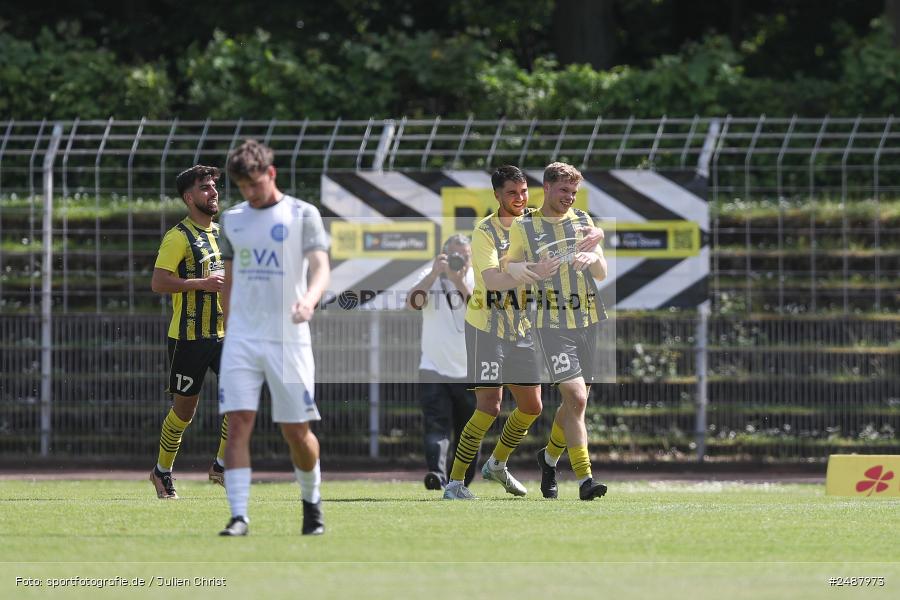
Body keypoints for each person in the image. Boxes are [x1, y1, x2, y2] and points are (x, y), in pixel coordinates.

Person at [216, 140, 330, 536]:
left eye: (255, 183)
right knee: (238, 422)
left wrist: (309, 301)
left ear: (271, 173)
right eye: (242, 186)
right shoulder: (232, 219)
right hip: (242, 339)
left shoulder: (302, 214)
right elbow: (230, 280)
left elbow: (320, 267)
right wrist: (229, 329)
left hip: (288, 338)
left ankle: (312, 504)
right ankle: (239, 516)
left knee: (296, 431)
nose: (250, 192)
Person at [506, 161, 609, 501]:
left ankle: (549, 459)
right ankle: (585, 479)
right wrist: (528, 268)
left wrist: (593, 259)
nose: (569, 197)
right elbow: (509, 266)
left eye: (574, 192)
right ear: (547, 188)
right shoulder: (525, 226)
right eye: (564, 190)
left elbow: (602, 271)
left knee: (576, 402)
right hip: (551, 323)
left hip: (588, 318)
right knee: (576, 398)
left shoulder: (582, 220)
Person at [149, 165, 229, 500]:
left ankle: (221, 467)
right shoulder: (178, 237)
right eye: (205, 187)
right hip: (189, 338)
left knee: (241, 399)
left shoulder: (223, 234)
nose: (213, 192)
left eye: (213, 186)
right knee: (184, 413)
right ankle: (161, 471)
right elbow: (159, 282)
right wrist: (202, 283)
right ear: (189, 198)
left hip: (224, 335)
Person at [406, 234, 478, 490]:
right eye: (455, 255)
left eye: (465, 256)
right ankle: (437, 475)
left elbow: (480, 311)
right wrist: (435, 274)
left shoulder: (478, 277)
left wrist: (459, 281)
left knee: (469, 432)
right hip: (433, 367)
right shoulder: (430, 274)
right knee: (436, 426)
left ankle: (461, 481)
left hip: (470, 370)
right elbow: (412, 303)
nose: (460, 260)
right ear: (444, 255)